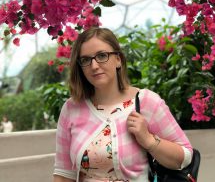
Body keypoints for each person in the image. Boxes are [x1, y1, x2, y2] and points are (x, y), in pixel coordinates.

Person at [53, 27, 193, 182]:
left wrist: (149, 140)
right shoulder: (72, 109)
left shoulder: (147, 102)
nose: (94, 66)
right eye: (86, 60)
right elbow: (64, 173)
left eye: (102, 56)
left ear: (118, 59)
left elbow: (185, 157)